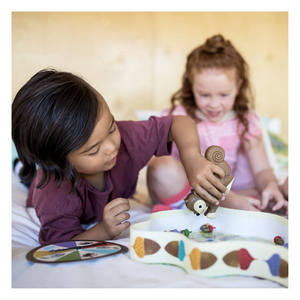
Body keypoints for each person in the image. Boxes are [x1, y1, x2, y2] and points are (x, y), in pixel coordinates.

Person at [12, 69, 229, 245]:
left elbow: (178, 123)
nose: (111, 147)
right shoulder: (54, 192)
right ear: (59, 161)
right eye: (93, 150)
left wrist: (191, 157)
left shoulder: (126, 138)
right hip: (41, 183)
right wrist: (103, 230)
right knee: (27, 176)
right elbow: (58, 245)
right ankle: (20, 167)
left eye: (111, 127)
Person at [147, 34, 288, 215]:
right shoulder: (178, 116)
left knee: (274, 189)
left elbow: (261, 170)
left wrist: (270, 186)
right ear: (191, 87)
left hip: (236, 191)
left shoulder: (246, 121)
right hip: (188, 190)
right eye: (205, 95)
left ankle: (211, 206)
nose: (214, 104)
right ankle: (200, 205)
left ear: (238, 87)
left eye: (223, 95)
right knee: (160, 167)